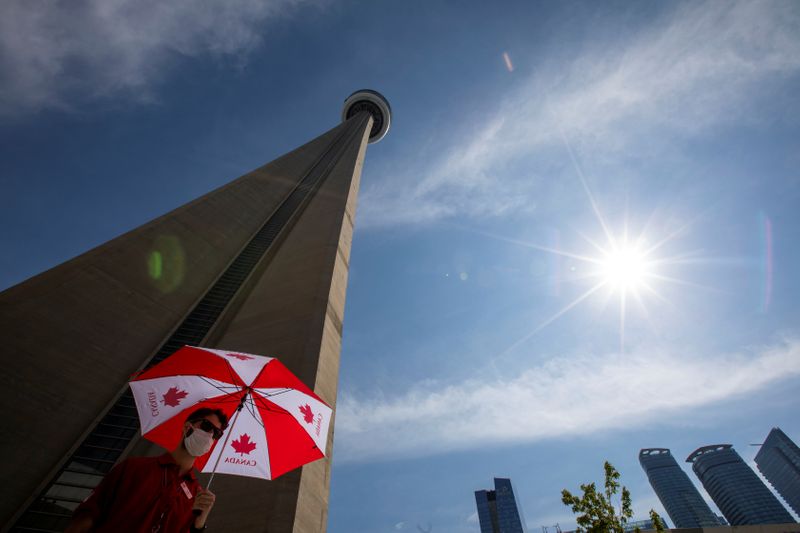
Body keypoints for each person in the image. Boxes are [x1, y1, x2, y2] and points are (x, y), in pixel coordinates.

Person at [66, 407, 228, 533]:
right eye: (206, 426)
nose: (210, 435)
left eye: (217, 434)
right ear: (187, 427)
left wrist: (199, 524)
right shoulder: (134, 467)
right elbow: (87, 515)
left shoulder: (197, 496)